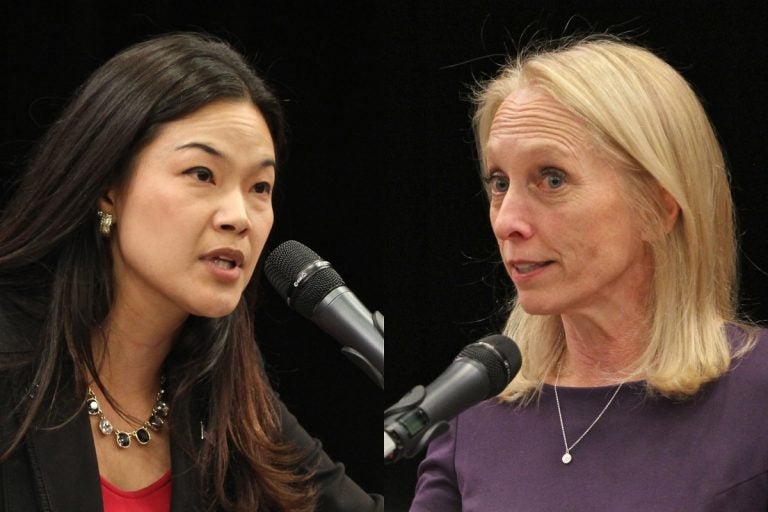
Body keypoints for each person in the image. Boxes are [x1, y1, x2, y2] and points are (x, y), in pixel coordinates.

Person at [0, 33, 382, 512]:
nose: (238, 216)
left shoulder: (225, 393)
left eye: (260, 187)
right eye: (202, 174)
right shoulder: (10, 355)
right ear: (108, 187)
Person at [410, 36, 768, 511]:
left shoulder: (756, 397)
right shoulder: (470, 415)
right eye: (499, 183)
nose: (505, 220)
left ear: (658, 209)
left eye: (552, 179)